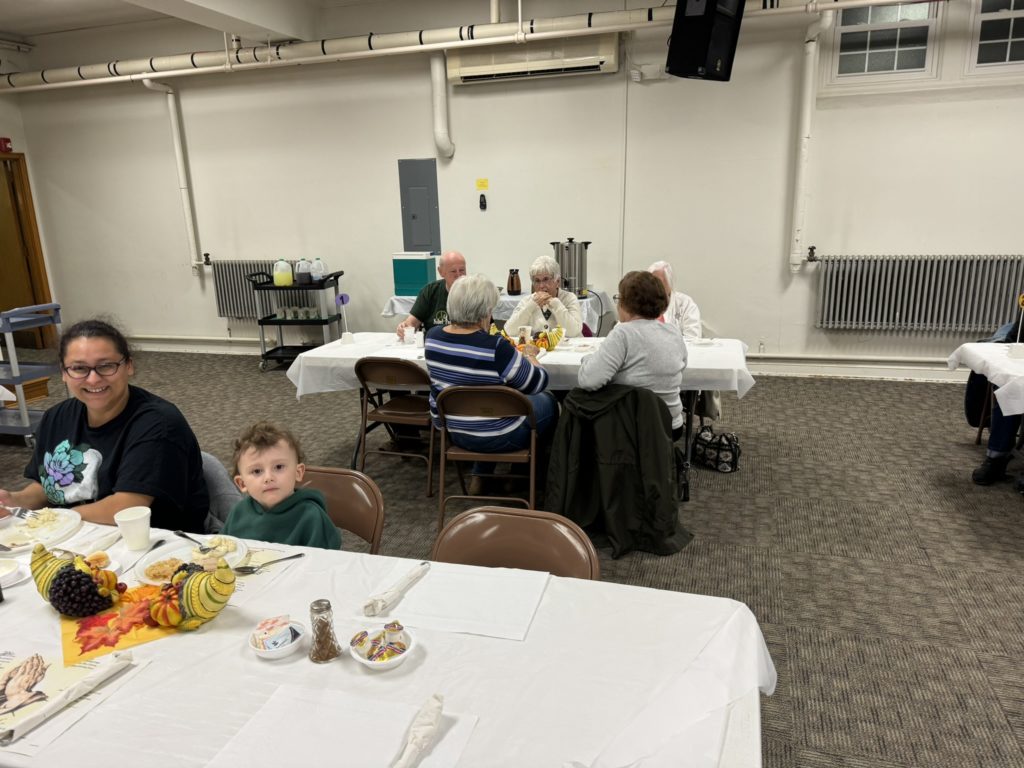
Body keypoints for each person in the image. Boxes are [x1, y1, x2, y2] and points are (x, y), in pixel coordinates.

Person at [0, 319, 208, 532]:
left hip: (152, 544)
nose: (93, 379)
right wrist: (14, 499)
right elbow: (49, 487)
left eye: (106, 366)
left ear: (129, 366)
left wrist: (52, 520)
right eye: (79, 368)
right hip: (77, 535)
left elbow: (128, 506)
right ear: (64, 373)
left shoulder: (158, 424)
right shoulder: (57, 417)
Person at [424, 274, 558, 493]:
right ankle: (526, 477)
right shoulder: (496, 346)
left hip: (456, 433)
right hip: (502, 437)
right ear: (483, 312)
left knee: (492, 405)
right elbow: (535, 384)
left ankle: (480, 475)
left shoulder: (432, 337)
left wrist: (442, 427)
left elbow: (435, 390)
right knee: (548, 402)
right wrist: (532, 358)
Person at [578, 270, 688, 438]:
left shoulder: (623, 333)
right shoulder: (673, 332)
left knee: (576, 399)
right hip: (671, 425)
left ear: (627, 304)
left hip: (631, 426)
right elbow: (682, 366)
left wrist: (588, 360)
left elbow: (588, 380)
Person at [222, 421, 340, 549]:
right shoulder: (238, 513)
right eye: (257, 471)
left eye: (278, 467)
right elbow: (224, 553)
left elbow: (327, 564)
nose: (268, 478)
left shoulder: (311, 517)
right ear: (242, 483)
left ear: (298, 472)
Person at [505, 255, 584, 338]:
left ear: (557, 282)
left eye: (546, 279)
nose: (542, 286)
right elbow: (509, 331)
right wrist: (531, 306)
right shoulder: (527, 301)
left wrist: (555, 303)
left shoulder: (569, 298)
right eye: (537, 281)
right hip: (540, 349)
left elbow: (573, 332)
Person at [396, 250, 467, 339]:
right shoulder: (429, 292)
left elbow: (485, 327)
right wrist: (405, 327)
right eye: (453, 271)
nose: (459, 275)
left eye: (462, 270)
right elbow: (412, 323)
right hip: (435, 345)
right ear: (441, 272)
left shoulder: (474, 292)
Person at [648, 260, 701, 341]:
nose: (654, 286)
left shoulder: (685, 303)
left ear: (669, 283)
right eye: (651, 282)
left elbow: (693, 338)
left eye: (658, 282)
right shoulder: (640, 302)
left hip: (679, 351)